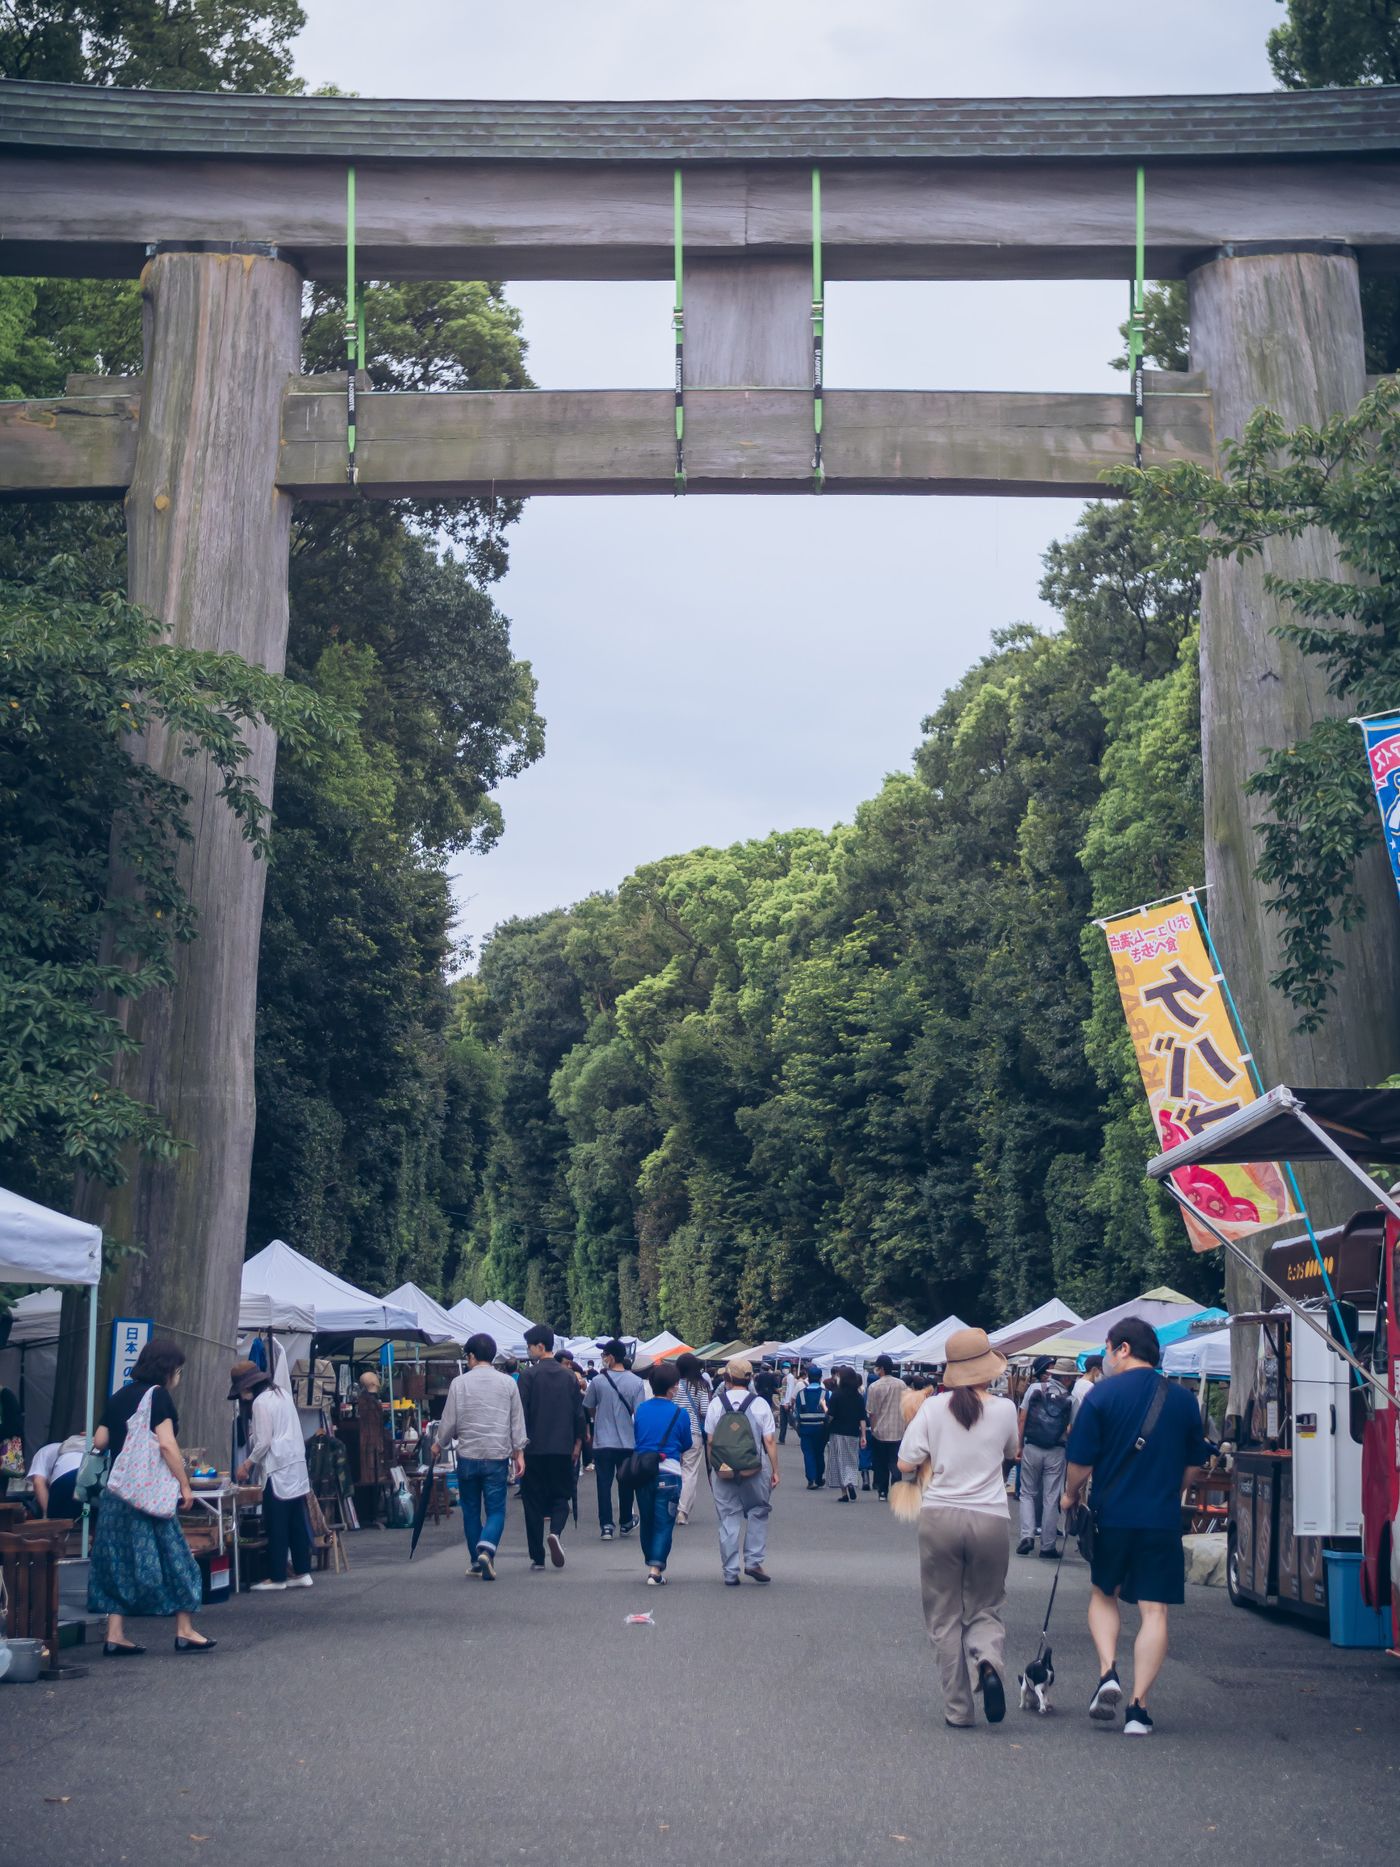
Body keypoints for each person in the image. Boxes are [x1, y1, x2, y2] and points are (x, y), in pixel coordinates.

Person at [1061, 1316, 1213, 1737]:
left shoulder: (1101, 1395)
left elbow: (1080, 1463)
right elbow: (1194, 1464)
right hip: (1160, 1519)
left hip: (1113, 1515)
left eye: (1109, 1349)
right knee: (1155, 1611)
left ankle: (1108, 1670)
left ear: (1123, 1348)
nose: (1107, 1357)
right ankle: (1138, 1709)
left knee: (1103, 1593)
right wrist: (1170, 1491)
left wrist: (1070, 1495)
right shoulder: (1183, 1401)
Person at [897, 1327, 1018, 1730]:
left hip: (940, 1516)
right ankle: (987, 1660)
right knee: (985, 1605)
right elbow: (1011, 1453)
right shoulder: (1005, 1409)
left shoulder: (932, 1409)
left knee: (944, 1614)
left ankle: (958, 1709)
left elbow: (904, 1463)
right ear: (988, 1368)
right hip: (990, 1517)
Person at [87, 1339, 214, 1655]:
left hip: (117, 1494)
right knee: (178, 1559)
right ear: (168, 1369)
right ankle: (184, 1630)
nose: (179, 1376)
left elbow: (100, 1441)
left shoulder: (118, 1396)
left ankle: (114, 1635)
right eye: (179, 1370)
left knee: (117, 1562)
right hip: (147, 1496)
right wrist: (184, 1485)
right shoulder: (157, 1396)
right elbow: (167, 1446)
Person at [435, 1332, 527, 1580]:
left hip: (468, 1456)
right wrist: (519, 1453)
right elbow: (516, 1422)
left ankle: (477, 1560)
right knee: (496, 1510)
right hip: (497, 1456)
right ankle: (487, 1547)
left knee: (471, 1510)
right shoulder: (508, 1383)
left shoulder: (459, 1383)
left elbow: (449, 1422)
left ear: (473, 1356)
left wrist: (438, 1443)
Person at [230, 1359, 314, 1592]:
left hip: (277, 1467)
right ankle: (302, 1570)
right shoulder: (282, 1394)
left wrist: (246, 1465)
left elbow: (264, 1441)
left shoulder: (260, 1403)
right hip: (296, 1464)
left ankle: (277, 1576)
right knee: (296, 1520)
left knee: (277, 1524)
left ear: (247, 1387)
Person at [704, 1357, 779, 1585]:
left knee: (728, 1516)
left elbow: (710, 1441)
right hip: (755, 1467)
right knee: (758, 1510)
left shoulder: (717, 1404)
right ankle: (754, 1561)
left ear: (726, 1378)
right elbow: (769, 1441)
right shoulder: (760, 1404)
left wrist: (714, 1468)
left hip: (723, 1469)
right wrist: (775, 1470)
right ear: (750, 1379)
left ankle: (730, 1571)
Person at [518, 1324, 585, 1571]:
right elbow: (579, 1413)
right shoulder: (569, 1376)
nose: (528, 1351)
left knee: (532, 1501)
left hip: (533, 1448)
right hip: (562, 1447)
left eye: (529, 1346)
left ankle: (537, 1557)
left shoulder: (527, 1376)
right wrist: (578, 1442)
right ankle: (555, 1532)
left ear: (540, 1346)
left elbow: (520, 1414)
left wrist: (518, 1449)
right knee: (561, 1496)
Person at [632, 1361, 693, 1584]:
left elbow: (637, 1437)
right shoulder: (680, 1413)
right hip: (669, 1472)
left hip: (643, 1472)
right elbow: (686, 1443)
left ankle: (650, 1560)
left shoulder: (641, 1410)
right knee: (664, 1522)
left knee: (647, 1519)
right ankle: (655, 1569)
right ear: (671, 1388)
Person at [583, 1339, 647, 1540]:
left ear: (610, 1357)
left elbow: (590, 1406)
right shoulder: (636, 1382)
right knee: (626, 1482)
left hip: (602, 1441)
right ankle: (626, 1522)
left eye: (604, 1355)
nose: (603, 1359)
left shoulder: (599, 1382)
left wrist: (598, 1418)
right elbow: (639, 1413)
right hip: (627, 1441)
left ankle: (606, 1526)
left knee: (603, 1483)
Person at [1017, 1355, 1072, 1558]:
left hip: (1032, 1446)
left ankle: (1027, 1535)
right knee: (1051, 1496)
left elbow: (1022, 1418)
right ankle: (1048, 1545)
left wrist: (1019, 1445)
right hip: (1057, 1450)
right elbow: (1071, 1429)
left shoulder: (1034, 1389)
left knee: (1027, 1493)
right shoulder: (1070, 1398)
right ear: (1067, 1378)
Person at [672, 1353, 710, 1524]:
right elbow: (705, 1410)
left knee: (672, 1470)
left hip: (672, 1432)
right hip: (693, 1432)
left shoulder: (673, 1385)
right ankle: (682, 1511)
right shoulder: (701, 1386)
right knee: (689, 1471)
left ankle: (670, 1505)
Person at [865, 1356, 908, 1502]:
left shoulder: (874, 1386)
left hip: (880, 1430)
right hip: (898, 1429)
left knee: (881, 1462)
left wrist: (873, 1426)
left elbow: (871, 1411)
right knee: (895, 1461)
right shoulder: (902, 1385)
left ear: (881, 1368)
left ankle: (882, 1491)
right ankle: (896, 1490)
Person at [826, 1366, 867, 1502]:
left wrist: (825, 1416)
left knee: (838, 1461)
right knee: (851, 1460)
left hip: (837, 1432)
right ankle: (850, 1481)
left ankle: (844, 1493)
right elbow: (862, 1418)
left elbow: (831, 1415)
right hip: (853, 1433)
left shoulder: (836, 1395)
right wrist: (864, 1436)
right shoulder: (859, 1397)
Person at [28, 1433, 87, 1519]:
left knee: (57, 1520)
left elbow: (38, 1483)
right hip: (88, 1474)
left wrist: (47, 1514)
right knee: (84, 1514)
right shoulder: (71, 1447)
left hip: (66, 1476)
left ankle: (59, 1531)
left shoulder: (42, 1452)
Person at [794, 1365, 828, 1488]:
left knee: (808, 1453)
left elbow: (796, 1413)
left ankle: (811, 1479)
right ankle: (819, 1477)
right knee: (819, 1453)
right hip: (821, 1429)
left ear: (808, 1377)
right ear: (820, 1378)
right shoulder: (825, 1394)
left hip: (805, 1428)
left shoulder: (801, 1394)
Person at [1071, 1354, 1103, 1422]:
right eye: (1101, 1370)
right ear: (1094, 1369)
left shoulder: (1078, 1382)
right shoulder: (1089, 1387)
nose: (1102, 1374)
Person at [777, 1363, 799, 1444]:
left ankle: (802, 1436)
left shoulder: (790, 1377)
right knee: (783, 1422)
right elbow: (785, 1389)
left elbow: (790, 1390)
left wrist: (787, 1402)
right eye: (783, 1367)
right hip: (783, 1402)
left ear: (789, 1368)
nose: (784, 1369)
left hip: (786, 1403)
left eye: (786, 1368)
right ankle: (781, 1439)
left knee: (792, 1422)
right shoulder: (786, 1377)